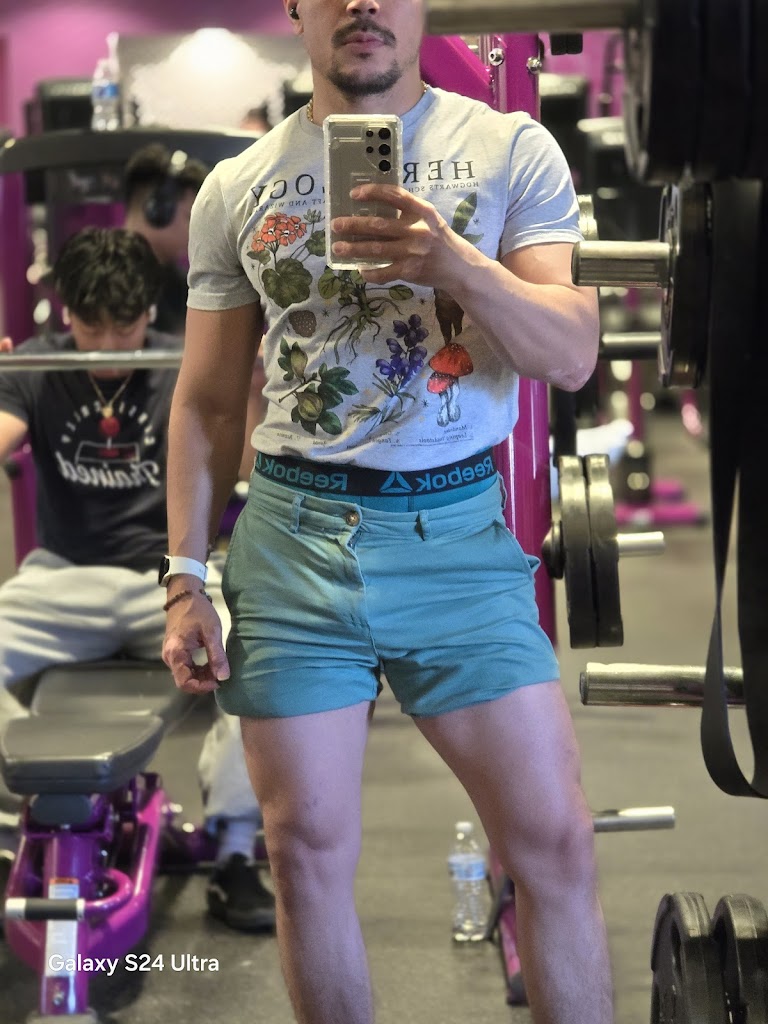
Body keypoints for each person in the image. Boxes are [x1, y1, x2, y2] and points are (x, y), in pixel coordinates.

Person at [162, 1, 611, 1021]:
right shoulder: (237, 185)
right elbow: (209, 401)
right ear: (297, 7)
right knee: (302, 854)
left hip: (454, 535)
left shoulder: (510, 148)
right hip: (292, 540)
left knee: (555, 844)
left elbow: (571, 352)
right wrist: (185, 575)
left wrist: (455, 265)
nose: (363, 2)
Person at [0, 227, 275, 932]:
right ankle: (21, 813)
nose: (109, 348)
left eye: (124, 328)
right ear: (66, 313)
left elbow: (245, 466)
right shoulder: (33, 366)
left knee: (260, 666)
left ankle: (234, 850)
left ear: (149, 313)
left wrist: (253, 389)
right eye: (91, 328)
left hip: (171, 581)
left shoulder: (188, 358)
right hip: (64, 580)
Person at [124, 142, 267, 480]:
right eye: (191, 216)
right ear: (157, 209)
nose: (197, 228)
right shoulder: (117, 276)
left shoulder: (175, 278)